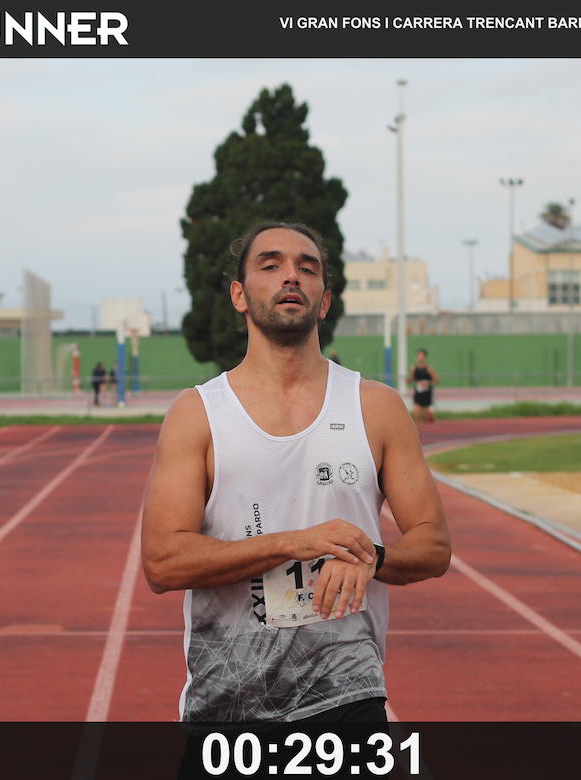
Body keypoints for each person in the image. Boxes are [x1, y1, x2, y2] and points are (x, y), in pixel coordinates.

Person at [141, 222, 451, 757]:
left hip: (347, 699)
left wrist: (372, 558)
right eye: (271, 265)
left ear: (324, 300)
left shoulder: (376, 407)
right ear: (239, 295)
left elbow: (435, 544)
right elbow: (162, 562)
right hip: (230, 708)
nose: (291, 276)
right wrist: (292, 543)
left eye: (307, 268)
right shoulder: (198, 414)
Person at [407, 349, 439, 429]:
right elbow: (411, 379)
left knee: (425, 418)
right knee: (416, 416)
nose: (420, 358)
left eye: (422, 356)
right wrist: (407, 380)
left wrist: (427, 383)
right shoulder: (414, 369)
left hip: (426, 394)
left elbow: (436, 380)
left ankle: (429, 415)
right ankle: (417, 435)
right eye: (419, 356)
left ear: (425, 358)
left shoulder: (429, 369)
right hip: (418, 394)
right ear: (416, 357)